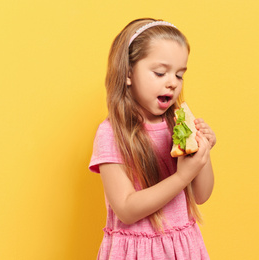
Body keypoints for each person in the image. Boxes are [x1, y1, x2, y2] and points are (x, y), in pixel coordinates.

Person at [89, 18, 217, 260]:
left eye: (179, 75)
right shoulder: (111, 133)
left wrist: (204, 154)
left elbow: (202, 195)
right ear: (128, 73)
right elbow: (126, 209)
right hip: (137, 253)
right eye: (160, 73)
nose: (172, 83)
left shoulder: (177, 126)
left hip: (183, 247)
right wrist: (182, 176)